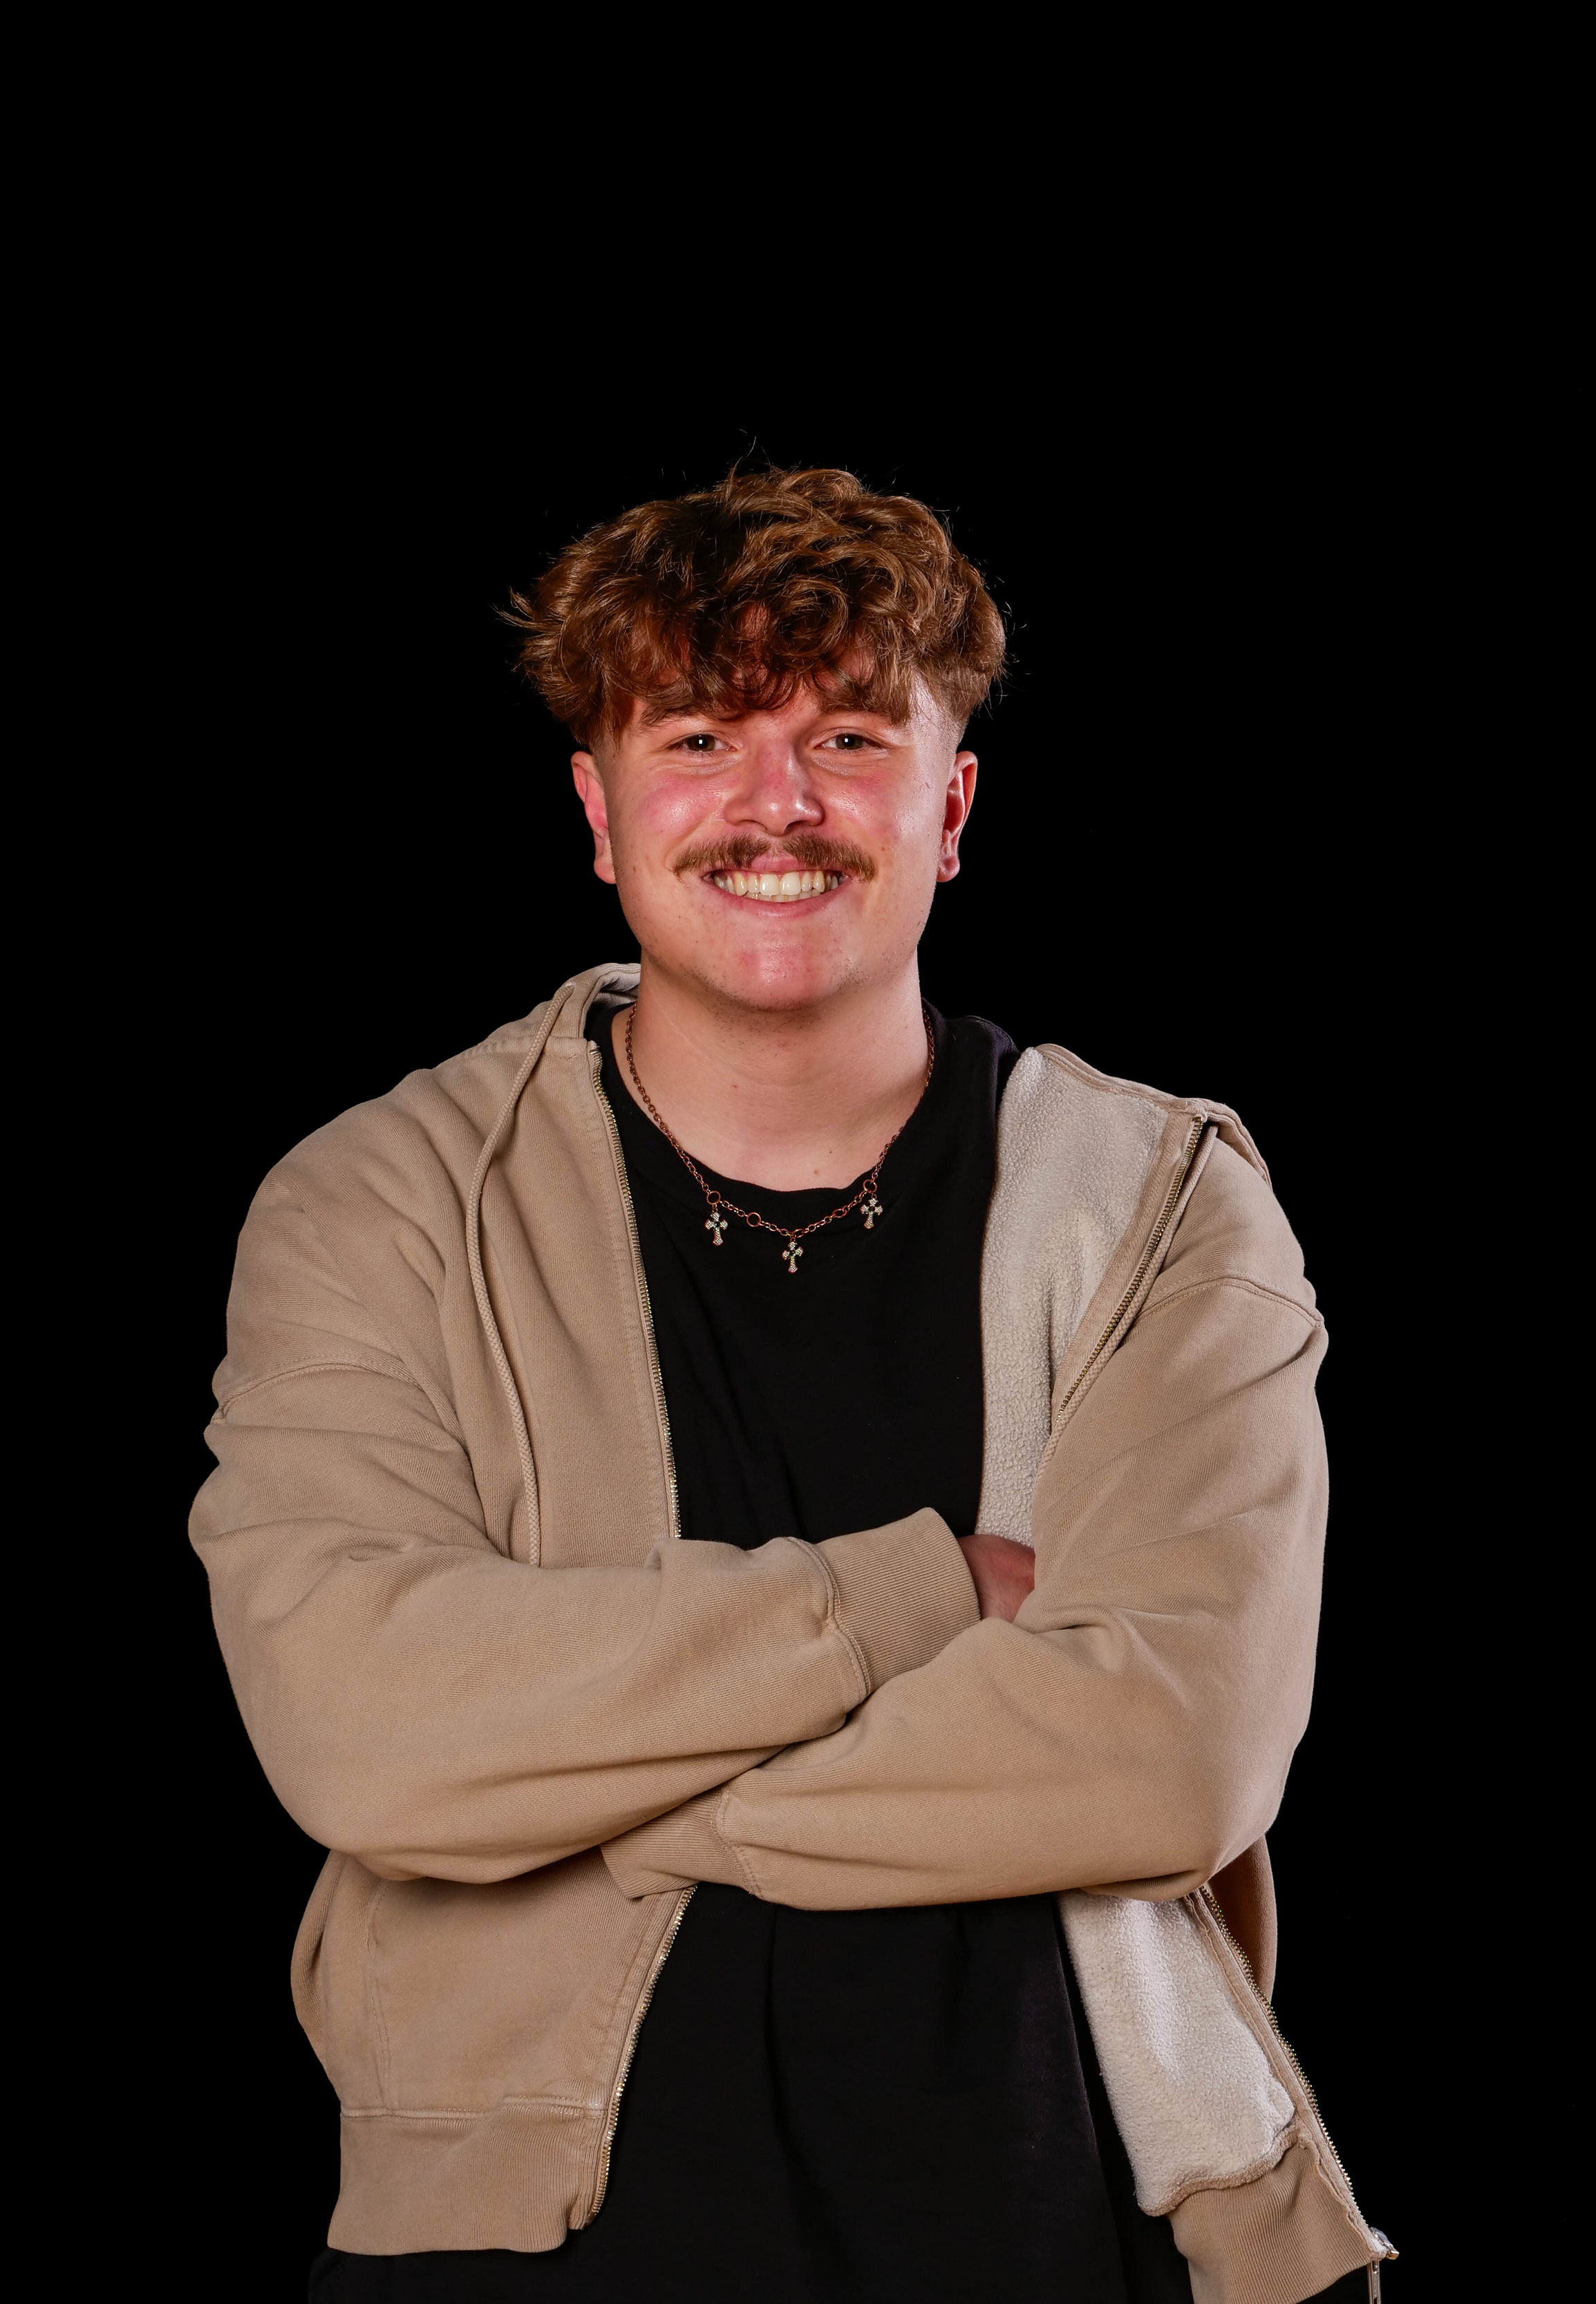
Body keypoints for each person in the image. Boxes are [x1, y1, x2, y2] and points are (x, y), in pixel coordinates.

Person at [191, 467, 1391, 2302]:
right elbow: (354, 1725)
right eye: (698, 734)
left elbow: (1173, 1751)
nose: (779, 803)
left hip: (1066, 2240)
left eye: (845, 731)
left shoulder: (1156, 1200)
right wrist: (918, 1591)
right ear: (596, 812)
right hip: (519, 2262)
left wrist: (563, 1782)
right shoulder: (382, 1203)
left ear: (952, 804)